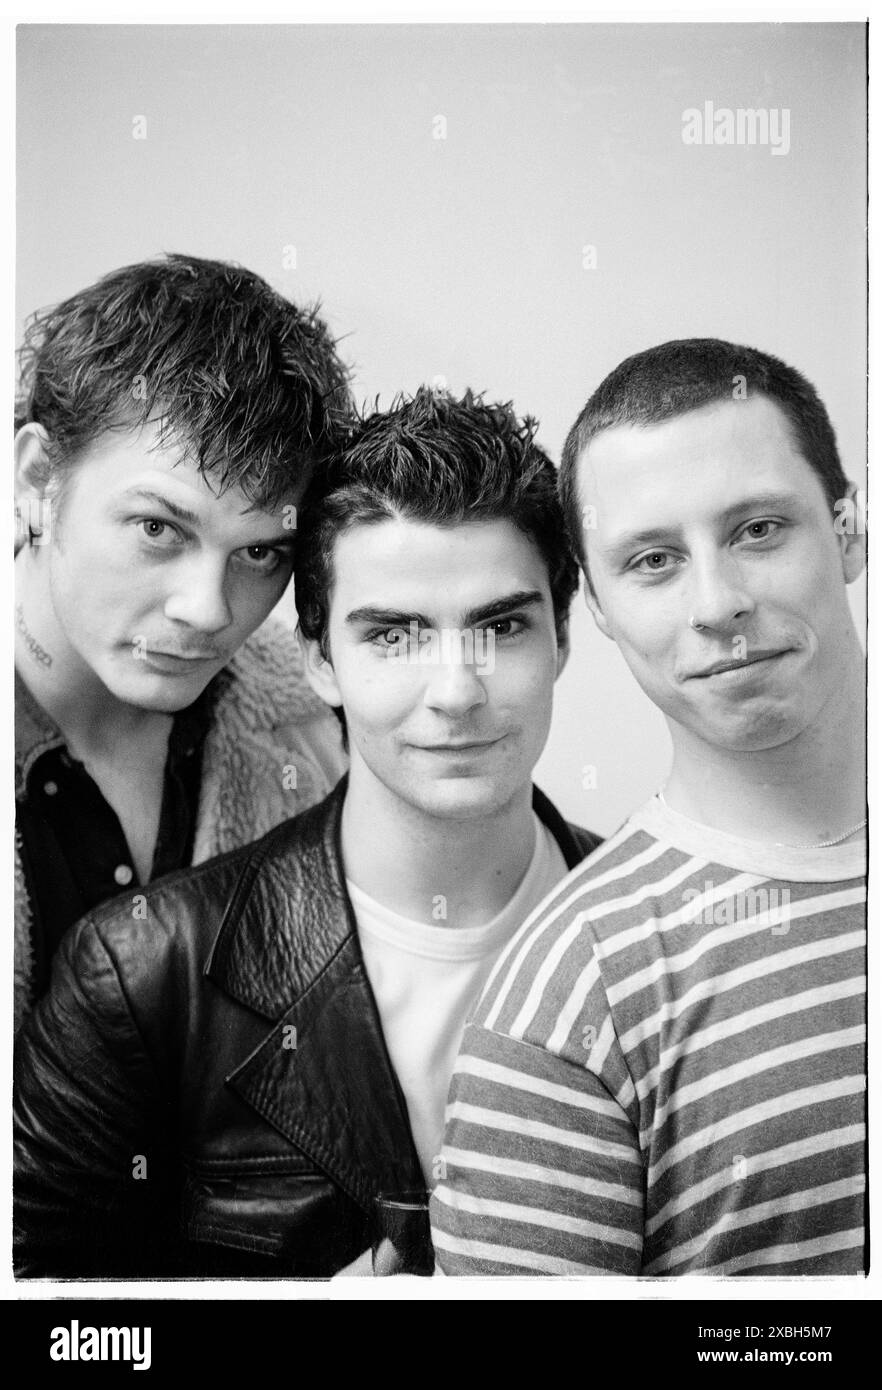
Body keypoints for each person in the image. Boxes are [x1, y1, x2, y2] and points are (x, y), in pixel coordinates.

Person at [14, 387, 602, 1278]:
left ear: (561, 639)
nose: (454, 690)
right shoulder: (138, 973)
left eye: (500, 626)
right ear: (318, 660)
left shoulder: (669, 927)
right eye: (394, 635)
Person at [431, 339, 867, 1276]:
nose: (719, 604)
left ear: (849, 529)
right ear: (595, 607)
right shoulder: (569, 996)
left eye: (758, 530)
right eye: (655, 560)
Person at [13, 253, 351, 1031]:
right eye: (158, 528)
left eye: (260, 553)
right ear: (38, 480)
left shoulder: (321, 735)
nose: (207, 610)